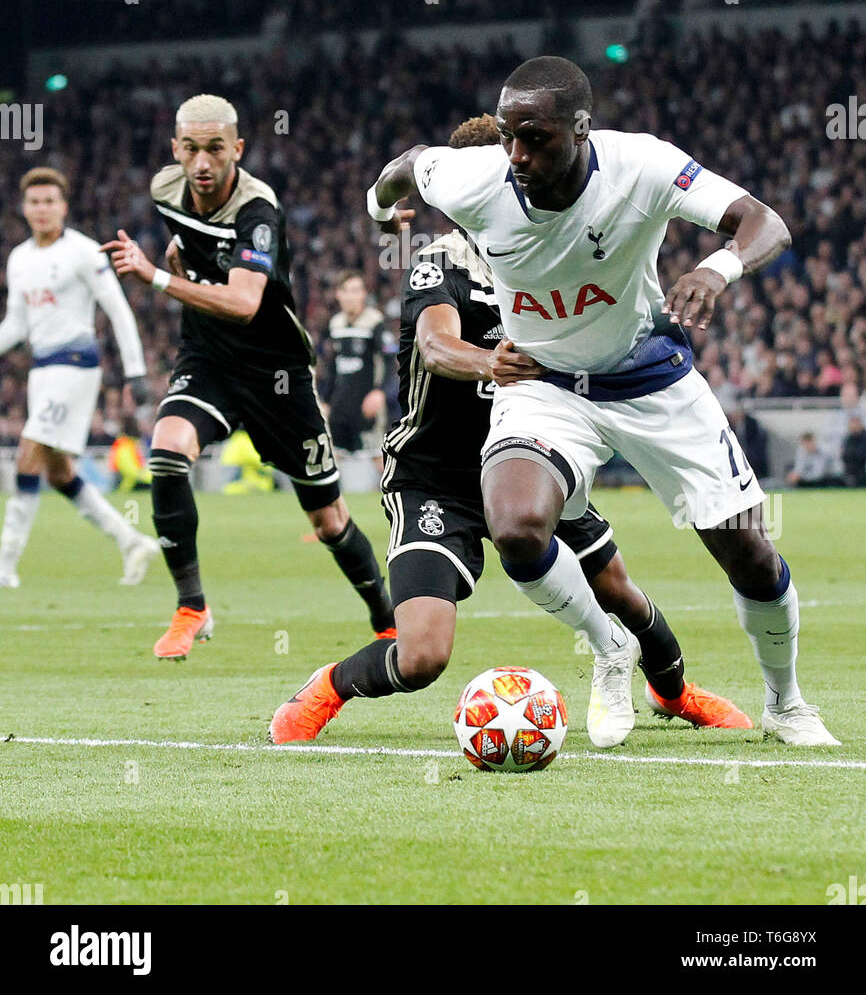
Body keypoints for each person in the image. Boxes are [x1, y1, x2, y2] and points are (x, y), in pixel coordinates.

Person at [361, 57, 839, 747]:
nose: (518, 155)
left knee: (750, 555)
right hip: (548, 386)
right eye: (507, 136)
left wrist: (715, 267)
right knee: (517, 524)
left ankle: (786, 702)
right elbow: (405, 165)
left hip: (652, 380)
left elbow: (762, 223)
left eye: (536, 138)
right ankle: (609, 647)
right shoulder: (475, 176)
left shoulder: (642, 167)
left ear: (581, 129)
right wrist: (382, 213)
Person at [270, 116, 751, 747]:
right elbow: (436, 344)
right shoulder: (439, 262)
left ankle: (673, 693)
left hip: (532, 459)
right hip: (437, 478)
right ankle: (329, 685)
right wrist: (486, 361)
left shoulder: (555, 250)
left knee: (622, 595)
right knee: (421, 657)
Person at [100, 94, 394, 659]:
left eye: (215, 149)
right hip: (207, 360)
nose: (203, 163)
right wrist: (180, 257)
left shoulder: (258, 210)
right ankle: (192, 608)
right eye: (191, 149)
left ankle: (386, 619)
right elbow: (187, 240)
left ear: (237, 148)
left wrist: (157, 278)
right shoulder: (166, 189)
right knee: (165, 452)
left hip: (276, 372)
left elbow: (242, 302)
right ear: (175, 151)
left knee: (329, 520)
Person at [0, 167, 158, 588]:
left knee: (27, 454)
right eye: (34, 202)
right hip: (42, 371)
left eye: (50, 201)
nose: (42, 209)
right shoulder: (20, 258)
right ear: (25, 207)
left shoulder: (84, 252)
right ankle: (130, 540)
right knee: (58, 472)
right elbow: (16, 326)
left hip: (75, 366)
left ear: (63, 206)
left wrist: (136, 370)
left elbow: (118, 309)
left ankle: (5, 561)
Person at [318, 270, 395, 464]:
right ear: (338, 294)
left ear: (363, 294)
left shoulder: (375, 321)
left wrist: (379, 392)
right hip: (341, 401)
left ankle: (392, 493)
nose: (351, 296)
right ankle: (332, 495)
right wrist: (326, 399)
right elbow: (332, 366)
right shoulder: (335, 324)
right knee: (333, 457)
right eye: (347, 291)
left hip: (367, 400)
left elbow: (388, 360)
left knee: (378, 455)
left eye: (356, 290)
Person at [841, 417, 866, 488]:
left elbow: (861, 454)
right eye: (852, 424)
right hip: (850, 470)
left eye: (856, 424)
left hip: (862, 470)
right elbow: (844, 455)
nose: (854, 426)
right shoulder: (847, 438)